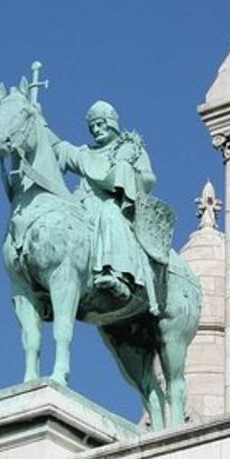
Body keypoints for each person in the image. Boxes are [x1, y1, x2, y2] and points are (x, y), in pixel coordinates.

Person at [53, 101, 162, 315]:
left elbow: (148, 179)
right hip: (85, 203)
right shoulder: (86, 154)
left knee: (109, 214)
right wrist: (38, 120)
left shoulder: (131, 148)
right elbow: (61, 149)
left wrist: (128, 172)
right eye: (92, 126)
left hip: (119, 206)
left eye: (101, 124)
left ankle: (119, 275)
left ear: (111, 124)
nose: (96, 130)